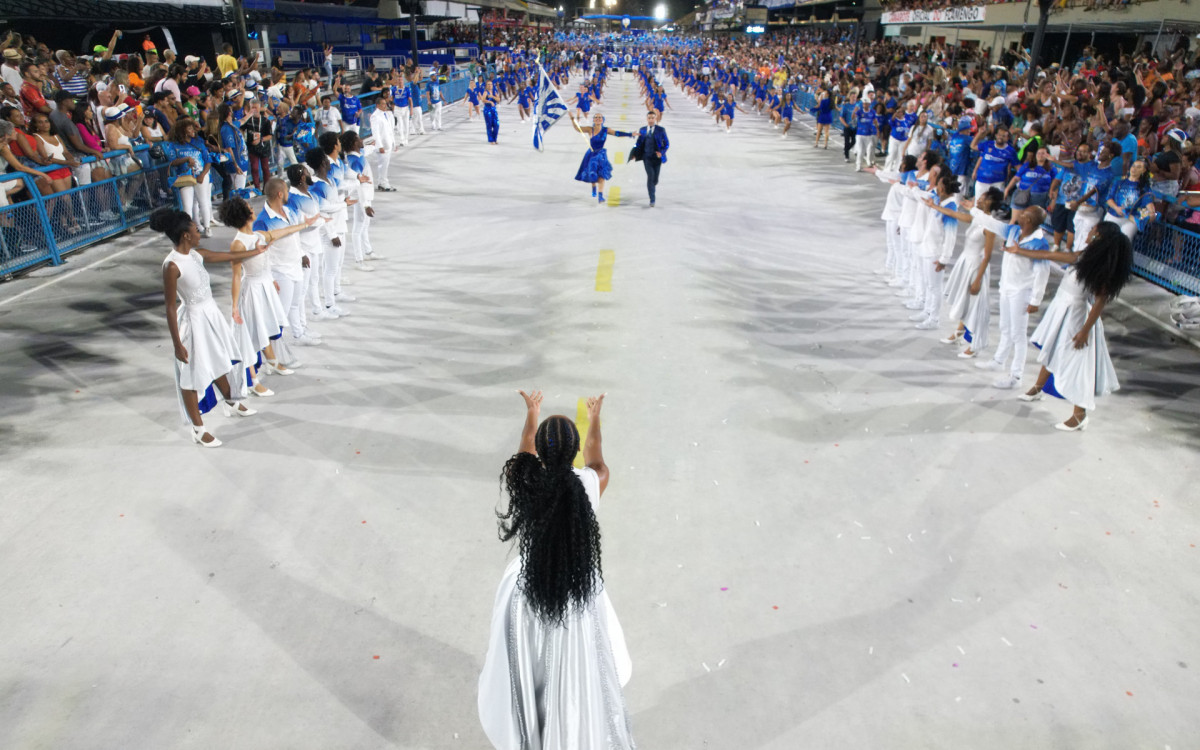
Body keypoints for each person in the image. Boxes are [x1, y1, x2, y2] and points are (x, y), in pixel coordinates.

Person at [478, 390, 636, 750]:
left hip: (528, 591)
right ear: (575, 449)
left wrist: (532, 413)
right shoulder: (591, 482)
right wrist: (594, 417)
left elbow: (525, 446)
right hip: (578, 592)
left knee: (529, 662)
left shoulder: (525, 480)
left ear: (541, 453)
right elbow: (596, 452)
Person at [155, 207, 262, 447]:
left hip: (210, 314)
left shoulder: (195, 254)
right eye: (195, 228)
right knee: (192, 374)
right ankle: (198, 429)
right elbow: (170, 307)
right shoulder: (171, 266)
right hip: (193, 321)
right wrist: (176, 344)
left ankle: (231, 401)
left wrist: (255, 251)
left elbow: (225, 257)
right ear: (185, 235)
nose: (199, 230)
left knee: (219, 360)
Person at [1017, 222, 1134, 431]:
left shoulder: (1101, 267)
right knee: (1052, 349)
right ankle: (1038, 387)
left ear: (1098, 235)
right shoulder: (1086, 254)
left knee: (1077, 365)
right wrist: (1020, 251)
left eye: (1092, 230)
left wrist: (1084, 331)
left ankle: (1080, 415)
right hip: (1062, 309)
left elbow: (1099, 302)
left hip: (1077, 317)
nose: (1088, 232)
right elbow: (1052, 256)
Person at [976, 206, 1052, 390]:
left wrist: (1035, 300)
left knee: (1018, 334)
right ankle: (999, 360)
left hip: (1022, 292)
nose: (1020, 214)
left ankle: (1016, 377)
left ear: (1029, 221)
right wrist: (975, 211)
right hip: (1007, 287)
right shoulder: (1013, 231)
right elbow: (992, 224)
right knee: (1005, 327)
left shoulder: (1040, 244)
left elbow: (1042, 274)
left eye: (1024, 213)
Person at [933, 186, 1007, 358]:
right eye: (979, 197)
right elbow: (957, 215)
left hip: (976, 266)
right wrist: (935, 206)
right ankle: (959, 333)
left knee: (977, 306)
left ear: (991, 203)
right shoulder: (978, 218)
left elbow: (987, 256)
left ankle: (976, 344)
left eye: (983, 198)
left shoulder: (990, 226)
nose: (979, 199)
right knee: (965, 302)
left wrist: (978, 280)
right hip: (965, 262)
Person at [572, 112, 634, 205]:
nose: (598, 118)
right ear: (593, 120)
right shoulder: (590, 129)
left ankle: (600, 195)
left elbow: (616, 133)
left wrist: (629, 134)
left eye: (600, 117)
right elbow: (577, 128)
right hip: (591, 155)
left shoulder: (606, 130)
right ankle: (593, 187)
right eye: (596, 117)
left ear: (602, 119)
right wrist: (572, 119)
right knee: (592, 174)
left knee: (601, 175)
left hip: (601, 155)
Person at [1105, 157, 1157, 243]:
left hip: (1130, 220)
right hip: (1113, 215)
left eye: (1139, 167)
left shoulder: (1145, 189)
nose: (1134, 169)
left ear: (1144, 171)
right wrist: (1116, 208)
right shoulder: (1119, 182)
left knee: (1124, 243)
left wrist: (1149, 216)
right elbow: (1109, 198)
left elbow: (1150, 208)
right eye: (1133, 166)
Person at [482, 80, 501, 145]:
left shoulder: (494, 92)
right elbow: (483, 100)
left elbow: (498, 99)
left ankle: (495, 138)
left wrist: (492, 97)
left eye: (491, 84)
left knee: (496, 124)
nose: (490, 85)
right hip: (487, 109)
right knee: (489, 125)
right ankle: (491, 140)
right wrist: (490, 102)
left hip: (493, 109)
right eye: (488, 84)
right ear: (486, 86)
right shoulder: (485, 92)